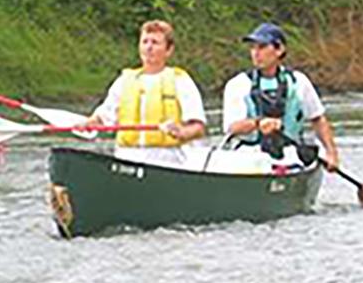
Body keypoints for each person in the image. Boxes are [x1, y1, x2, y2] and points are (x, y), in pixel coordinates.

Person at [83, 20, 207, 168]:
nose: (149, 47)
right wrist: (90, 123)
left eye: (155, 43)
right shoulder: (123, 81)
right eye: (145, 42)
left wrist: (182, 132)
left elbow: (198, 128)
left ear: (168, 50)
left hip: (168, 162)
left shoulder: (181, 81)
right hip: (126, 159)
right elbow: (103, 118)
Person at [221, 23, 340, 172]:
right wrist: (258, 123)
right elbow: (232, 128)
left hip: (291, 158)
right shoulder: (237, 84)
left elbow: (318, 119)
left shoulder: (299, 82)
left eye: (262, 47)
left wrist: (331, 153)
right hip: (248, 158)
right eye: (252, 47)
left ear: (279, 50)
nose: (255, 53)